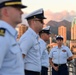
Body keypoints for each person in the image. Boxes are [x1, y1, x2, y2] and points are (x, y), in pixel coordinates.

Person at [0, 0, 27, 75]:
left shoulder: (10, 36)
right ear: (6, 12)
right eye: (18, 9)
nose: (22, 12)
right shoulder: (2, 36)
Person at [19, 8, 46, 75]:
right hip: (29, 72)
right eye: (41, 21)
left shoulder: (34, 37)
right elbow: (19, 57)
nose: (43, 23)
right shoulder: (29, 37)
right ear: (34, 21)